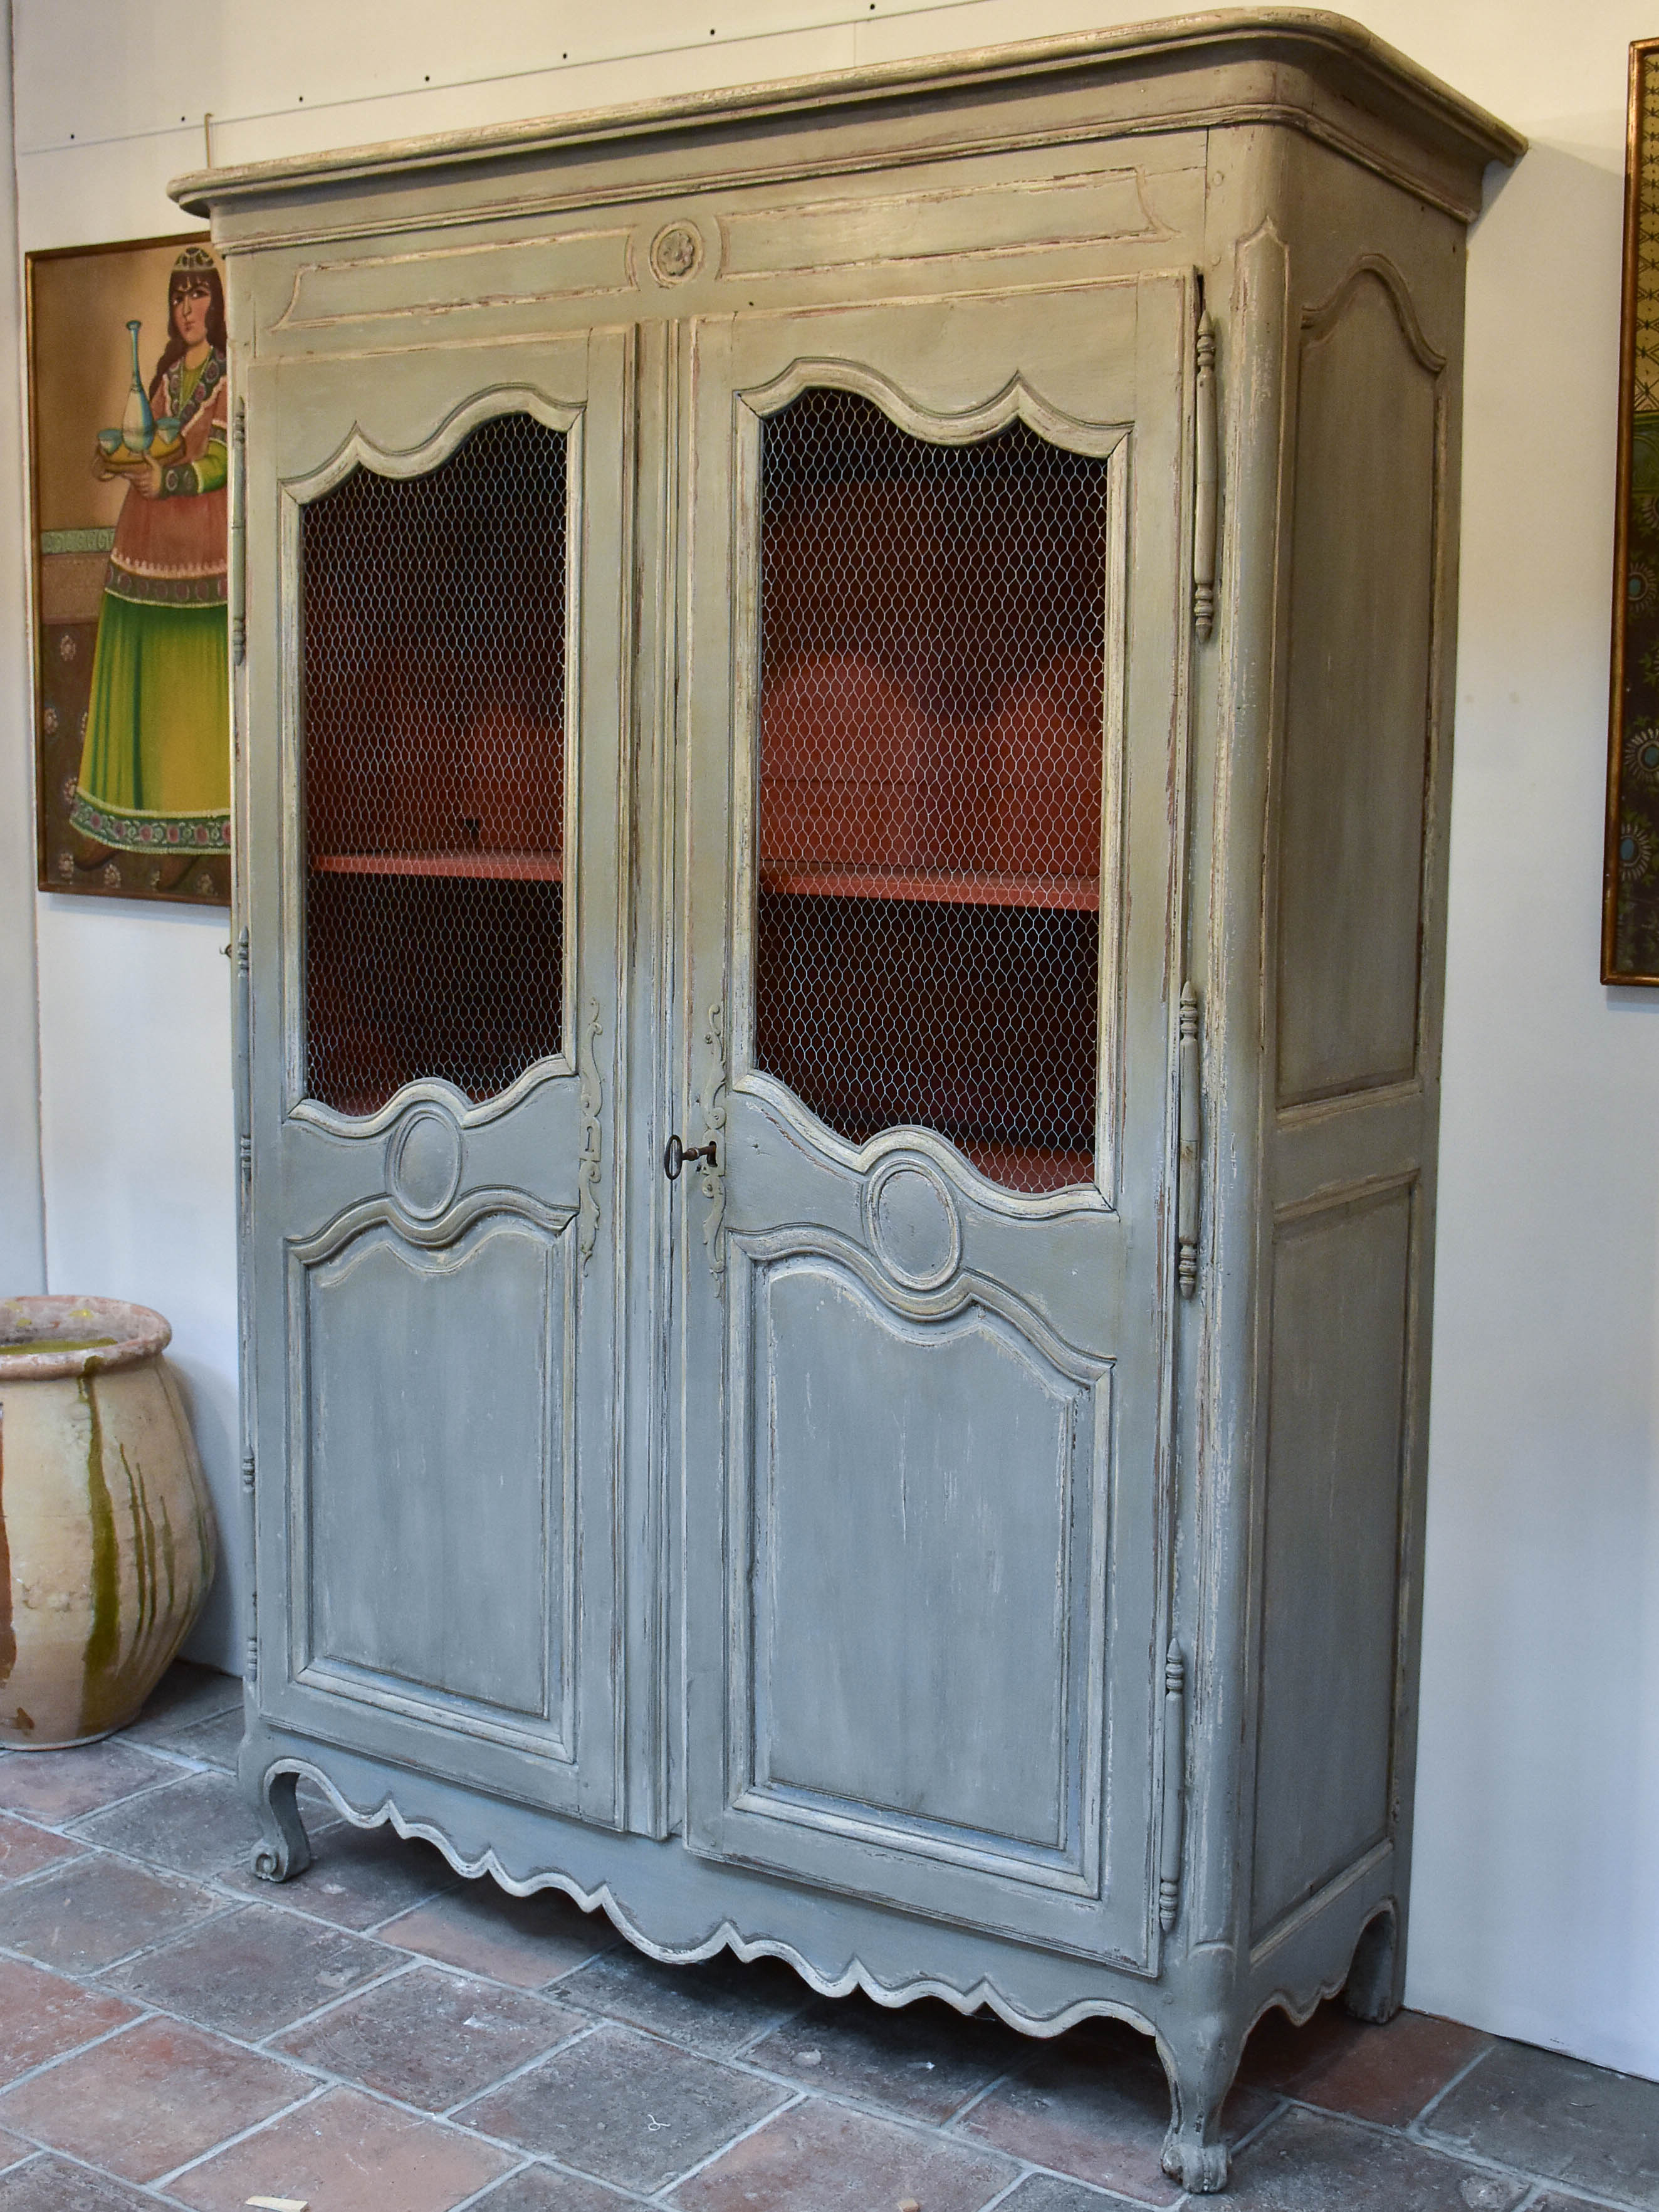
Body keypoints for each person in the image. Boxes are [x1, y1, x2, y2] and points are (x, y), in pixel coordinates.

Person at [71, 243, 230, 856]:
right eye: (178, 296)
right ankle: (126, 821)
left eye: (198, 294)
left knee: (190, 695)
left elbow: (220, 458)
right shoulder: (166, 376)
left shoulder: (225, 372)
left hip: (199, 552)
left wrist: (171, 480)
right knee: (143, 686)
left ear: (215, 302)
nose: (187, 307)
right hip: (143, 546)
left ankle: (192, 834)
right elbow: (147, 441)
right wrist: (113, 461)